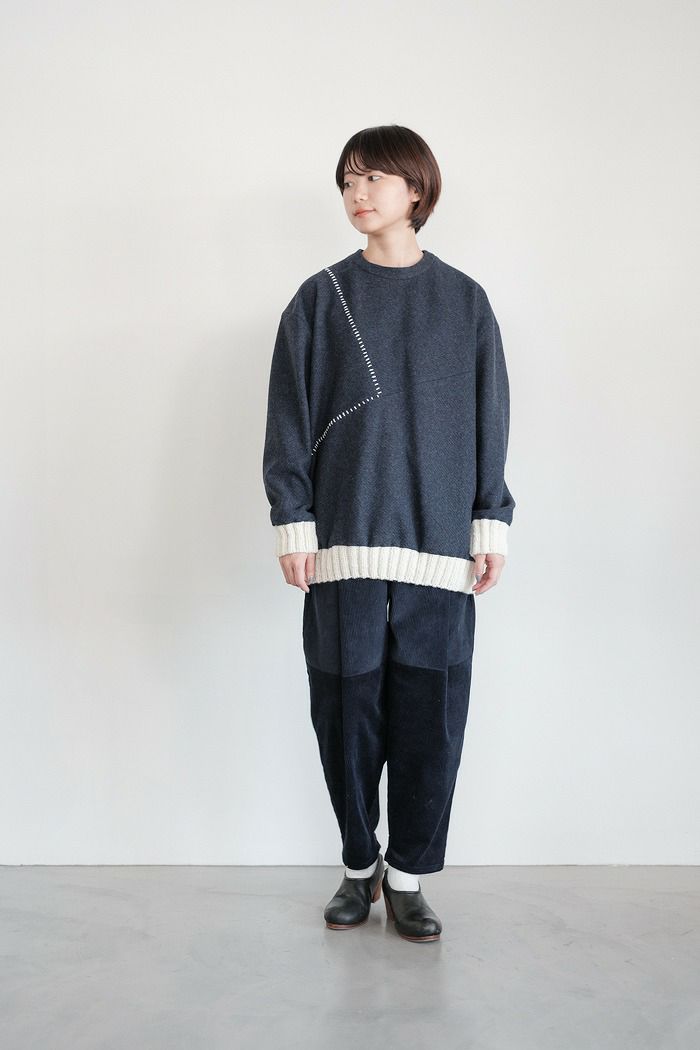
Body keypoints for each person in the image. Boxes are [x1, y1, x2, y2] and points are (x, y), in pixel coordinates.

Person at [262, 124, 516, 943]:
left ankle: (407, 877)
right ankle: (357, 865)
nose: (357, 194)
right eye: (347, 181)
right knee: (345, 715)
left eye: (373, 177)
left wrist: (490, 521)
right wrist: (293, 519)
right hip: (343, 548)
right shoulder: (320, 299)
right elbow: (288, 418)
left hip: (440, 551)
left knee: (428, 719)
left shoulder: (464, 302)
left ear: (417, 189)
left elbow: (490, 417)